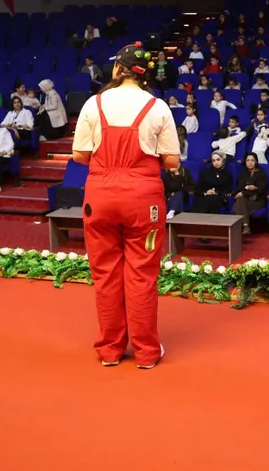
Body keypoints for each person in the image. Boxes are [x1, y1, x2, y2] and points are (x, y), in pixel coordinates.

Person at [72, 43, 180, 369]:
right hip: (142, 199)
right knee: (142, 273)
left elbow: (79, 155)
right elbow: (172, 161)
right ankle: (146, 352)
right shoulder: (157, 107)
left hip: (100, 197)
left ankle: (110, 349)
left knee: (105, 273)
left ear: (118, 69)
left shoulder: (94, 103)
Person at [233, 153, 269, 234]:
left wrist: (244, 192)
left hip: (258, 200)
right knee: (240, 200)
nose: (250, 162)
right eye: (248, 160)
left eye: (252, 160)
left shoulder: (262, 173)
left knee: (237, 206)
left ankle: (241, 228)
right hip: (245, 200)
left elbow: (260, 190)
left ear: (256, 162)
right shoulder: (243, 173)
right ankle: (246, 226)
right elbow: (239, 188)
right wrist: (248, 188)